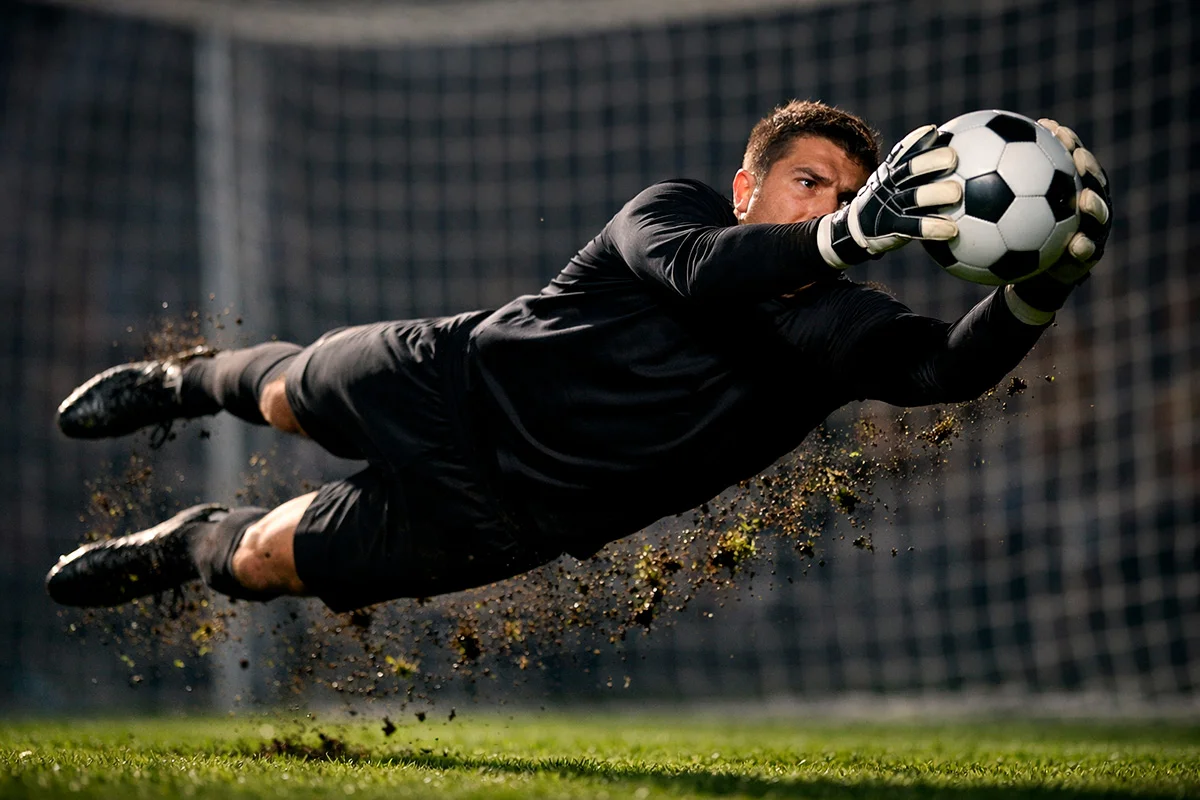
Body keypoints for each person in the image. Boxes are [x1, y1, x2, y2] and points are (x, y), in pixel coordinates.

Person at [46, 101, 1111, 613]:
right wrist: (846, 233)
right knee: (282, 395)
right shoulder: (673, 211)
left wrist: (1043, 285)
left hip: (504, 517)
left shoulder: (838, 327)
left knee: (260, 560)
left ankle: (184, 542)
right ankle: (184, 379)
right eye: (809, 184)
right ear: (748, 189)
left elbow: (949, 369)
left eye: (847, 193)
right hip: (445, 379)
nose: (828, 206)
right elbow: (701, 272)